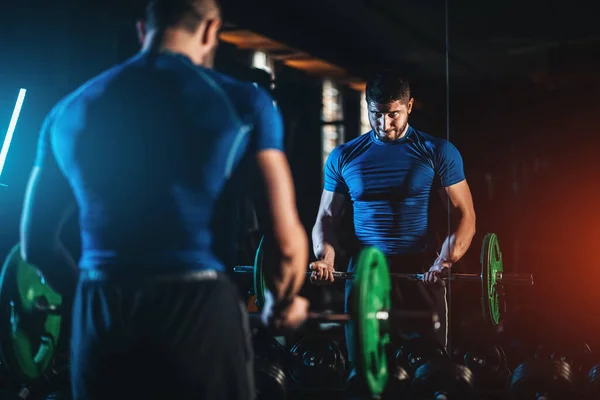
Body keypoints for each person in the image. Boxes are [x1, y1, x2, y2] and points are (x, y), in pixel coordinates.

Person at [19, 0, 309, 399]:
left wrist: (86, 304)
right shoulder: (245, 102)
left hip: (102, 306)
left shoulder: (68, 110)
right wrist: (282, 302)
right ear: (210, 31)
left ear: (143, 30)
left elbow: (35, 243)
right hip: (198, 308)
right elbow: (286, 240)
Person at [310, 71, 476, 380]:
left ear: (409, 106)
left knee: (430, 371)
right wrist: (326, 258)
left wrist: (446, 259)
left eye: (393, 114)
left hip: (420, 273)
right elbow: (327, 217)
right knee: (365, 372)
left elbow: (464, 214)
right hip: (365, 273)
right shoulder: (344, 156)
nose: (385, 124)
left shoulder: (437, 151)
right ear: (367, 108)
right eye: (377, 114)